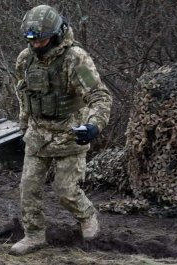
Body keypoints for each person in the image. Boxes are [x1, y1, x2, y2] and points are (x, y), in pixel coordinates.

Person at [11, 5, 112, 255]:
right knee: (28, 188)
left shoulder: (75, 58)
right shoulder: (25, 59)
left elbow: (99, 96)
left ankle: (87, 215)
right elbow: (24, 96)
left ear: (56, 34)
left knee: (65, 190)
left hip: (70, 133)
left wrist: (93, 125)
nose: (36, 45)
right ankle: (34, 235)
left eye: (42, 40)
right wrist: (23, 127)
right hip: (37, 134)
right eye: (31, 41)